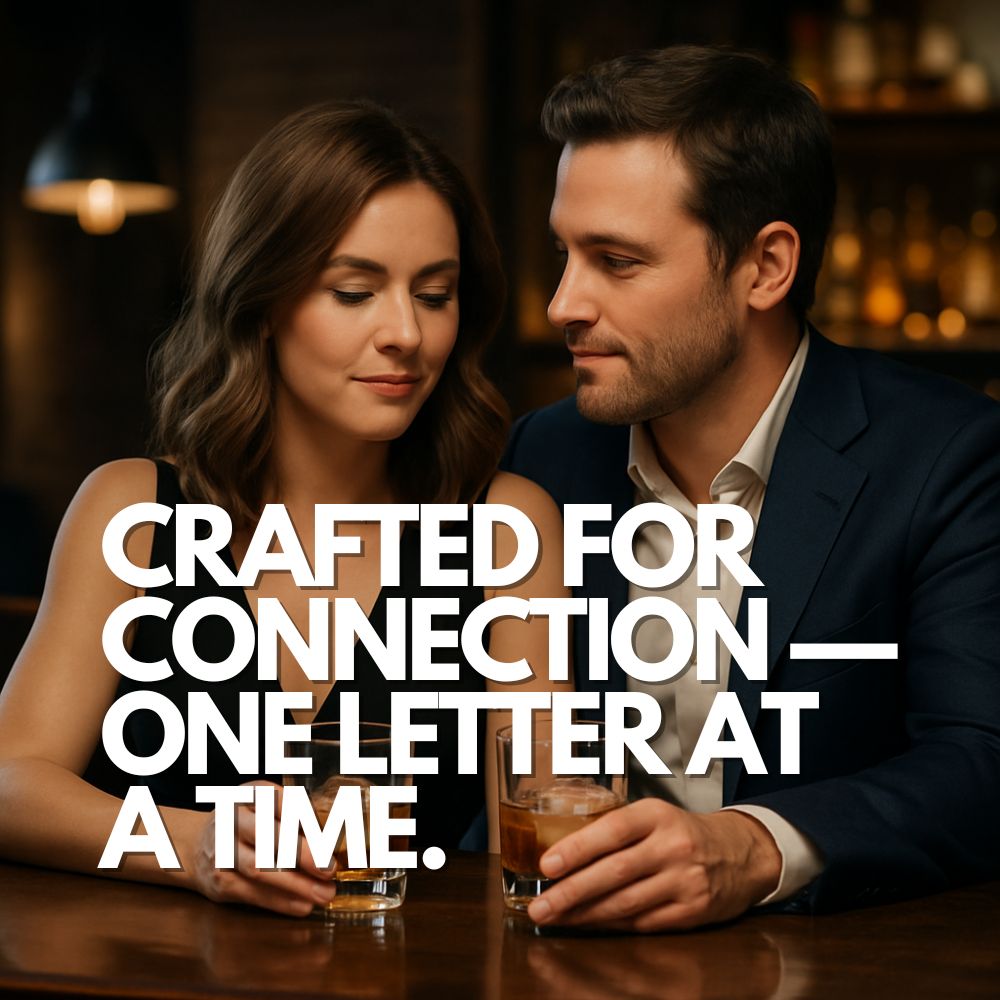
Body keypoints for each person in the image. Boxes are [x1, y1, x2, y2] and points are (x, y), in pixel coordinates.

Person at [0, 101, 569, 917]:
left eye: (435, 294)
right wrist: (195, 847)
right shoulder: (132, 507)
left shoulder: (507, 527)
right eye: (354, 291)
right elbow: (11, 782)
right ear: (263, 300)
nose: (406, 332)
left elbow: (547, 807)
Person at [503, 45, 1000, 931]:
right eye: (563, 252)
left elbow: (980, 761)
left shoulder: (949, 457)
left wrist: (756, 845)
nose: (563, 303)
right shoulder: (543, 457)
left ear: (766, 267)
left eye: (616, 261)